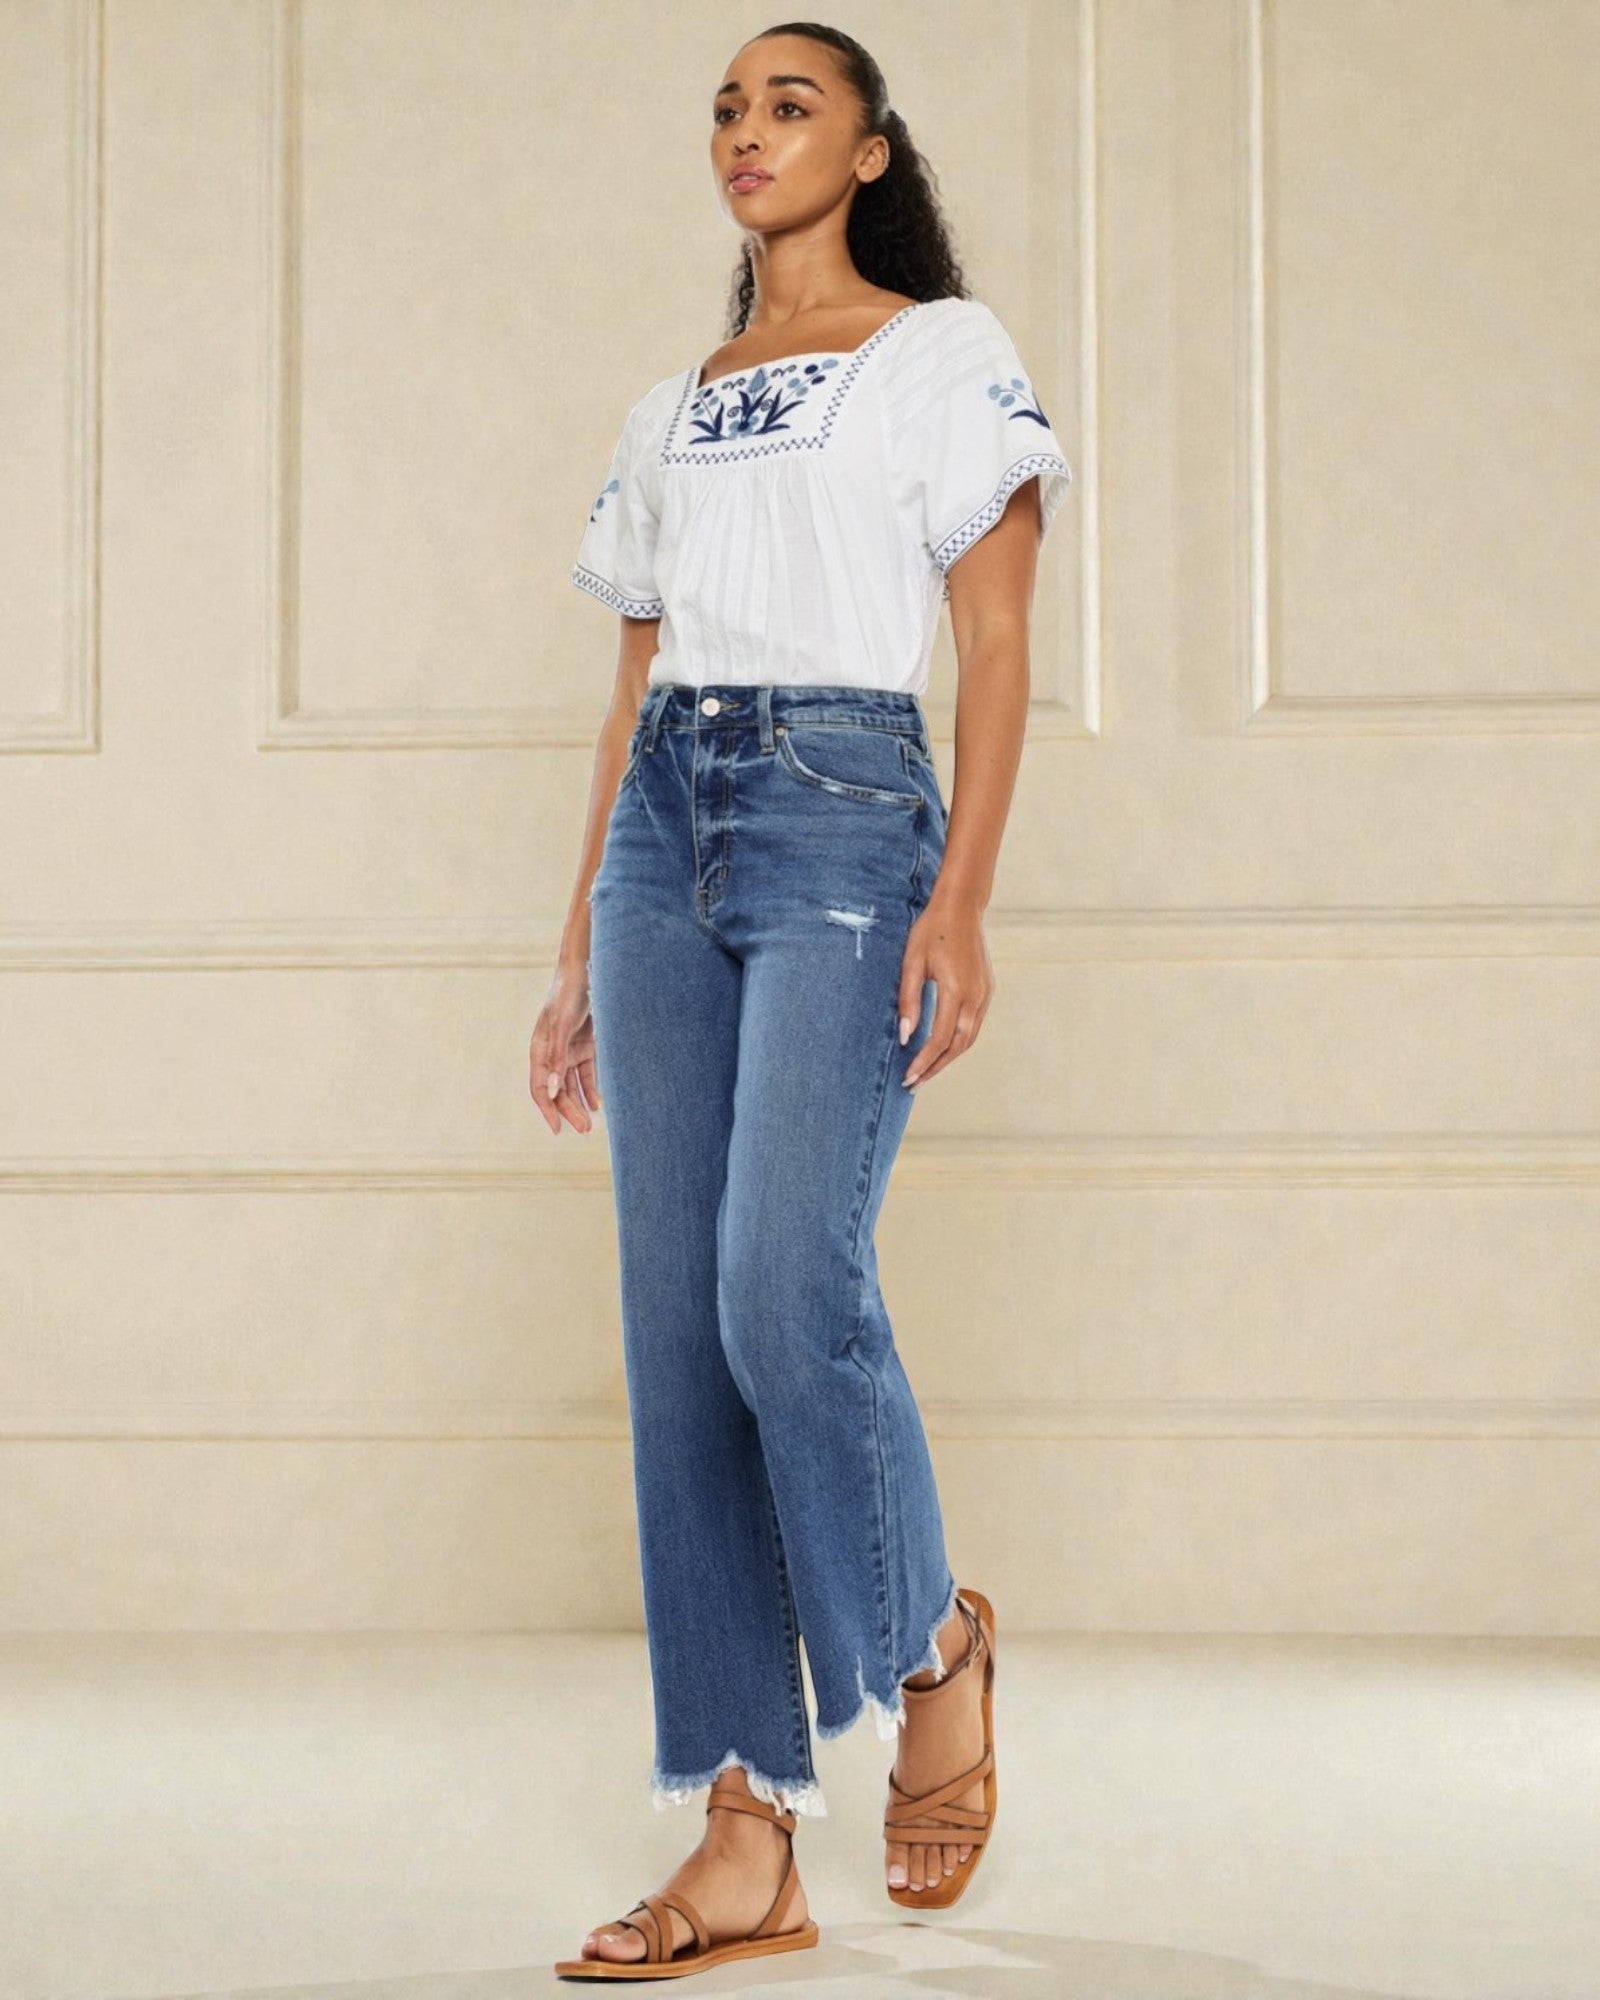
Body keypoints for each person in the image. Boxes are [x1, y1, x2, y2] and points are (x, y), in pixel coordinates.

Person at [536, 21, 1073, 1981]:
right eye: (725, 107)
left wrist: (964, 897)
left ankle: (930, 1646)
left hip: (843, 814)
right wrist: (572, 953)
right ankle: (744, 1830)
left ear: (866, 153)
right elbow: (630, 690)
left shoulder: (941, 353)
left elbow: (994, 641)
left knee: (783, 1289)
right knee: (677, 1337)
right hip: (662, 834)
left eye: (790, 105)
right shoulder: (668, 406)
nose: (746, 133)